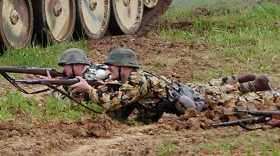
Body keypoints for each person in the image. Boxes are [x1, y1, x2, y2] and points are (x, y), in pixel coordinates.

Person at [70, 48, 273, 123]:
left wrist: (89, 90)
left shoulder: (138, 81)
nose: (108, 70)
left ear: (124, 66)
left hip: (188, 101)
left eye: (111, 66)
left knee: (224, 102)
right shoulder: (134, 78)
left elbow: (113, 104)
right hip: (181, 97)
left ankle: (263, 93)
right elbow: (126, 109)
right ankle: (251, 84)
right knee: (212, 90)